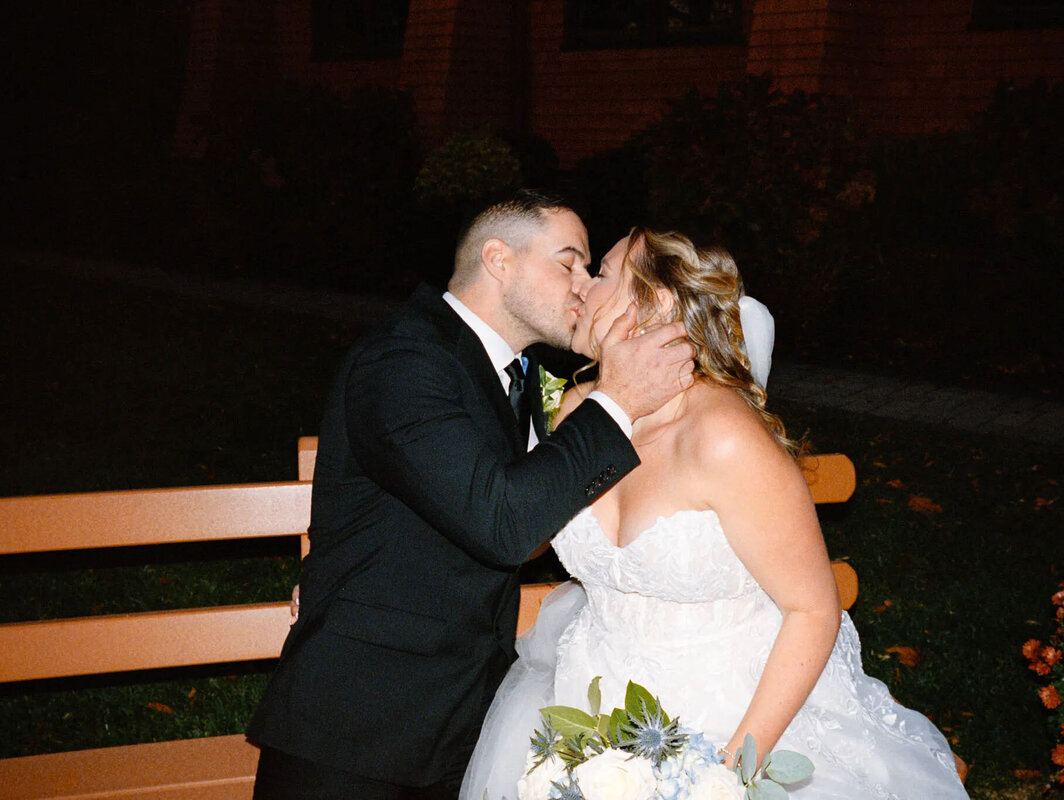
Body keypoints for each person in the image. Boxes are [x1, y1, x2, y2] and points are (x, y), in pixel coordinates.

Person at [459, 228, 969, 799]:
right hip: (586, 700)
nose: (582, 287)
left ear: (653, 302)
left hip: (737, 717)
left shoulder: (723, 437)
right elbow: (525, 534)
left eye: (601, 272)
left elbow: (813, 609)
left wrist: (724, 774)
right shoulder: (580, 412)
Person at [248, 192, 697, 800]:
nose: (584, 286)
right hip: (358, 730)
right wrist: (614, 402)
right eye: (568, 263)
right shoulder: (404, 360)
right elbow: (501, 521)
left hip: (461, 725)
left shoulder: (511, 377)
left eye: (591, 270)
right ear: (498, 259)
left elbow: (524, 523)